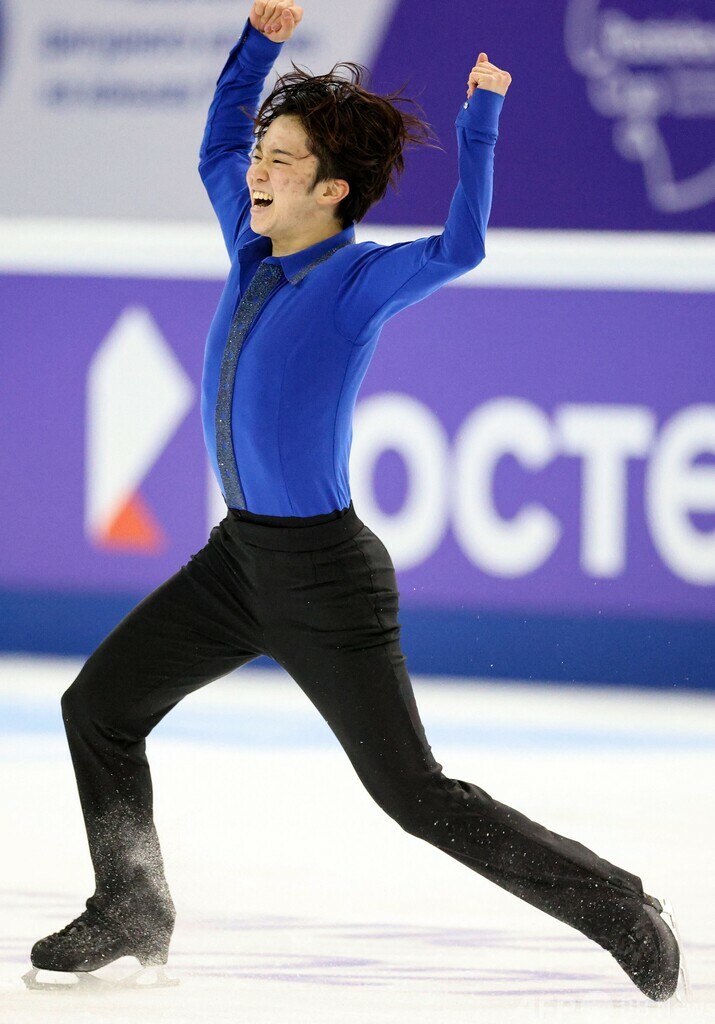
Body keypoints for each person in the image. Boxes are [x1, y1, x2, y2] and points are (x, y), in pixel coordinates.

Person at [30, 0, 681, 1002]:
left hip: (324, 578)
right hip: (237, 563)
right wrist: (259, 44)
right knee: (99, 709)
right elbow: (215, 141)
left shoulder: (357, 281)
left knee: (414, 796)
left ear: (331, 190)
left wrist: (479, 119)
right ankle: (131, 901)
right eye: (263, 156)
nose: (257, 170)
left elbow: (460, 249)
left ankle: (617, 907)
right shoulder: (250, 246)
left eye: (281, 161)